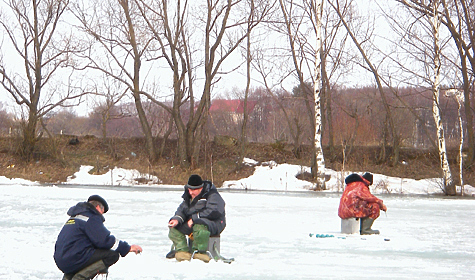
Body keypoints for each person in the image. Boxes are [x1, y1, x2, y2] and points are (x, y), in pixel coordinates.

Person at [54, 195, 142, 280]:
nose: (102, 215)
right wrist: (127, 248)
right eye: (102, 212)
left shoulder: (76, 216)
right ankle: (79, 278)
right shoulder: (91, 217)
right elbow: (104, 240)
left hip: (62, 259)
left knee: (85, 257)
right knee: (112, 255)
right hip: (74, 257)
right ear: (97, 207)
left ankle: (67, 278)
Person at [167, 174, 226, 262]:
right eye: (189, 189)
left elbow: (215, 211)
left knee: (199, 225)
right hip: (194, 222)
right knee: (174, 228)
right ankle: (183, 252)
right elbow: (182, 210)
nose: (191, 192)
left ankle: (200, 253)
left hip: (214, 223)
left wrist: (195, 218)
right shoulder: (189, 196)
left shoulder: (212, 195)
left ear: (201, 188)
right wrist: (176, 219)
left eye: (194, 190)